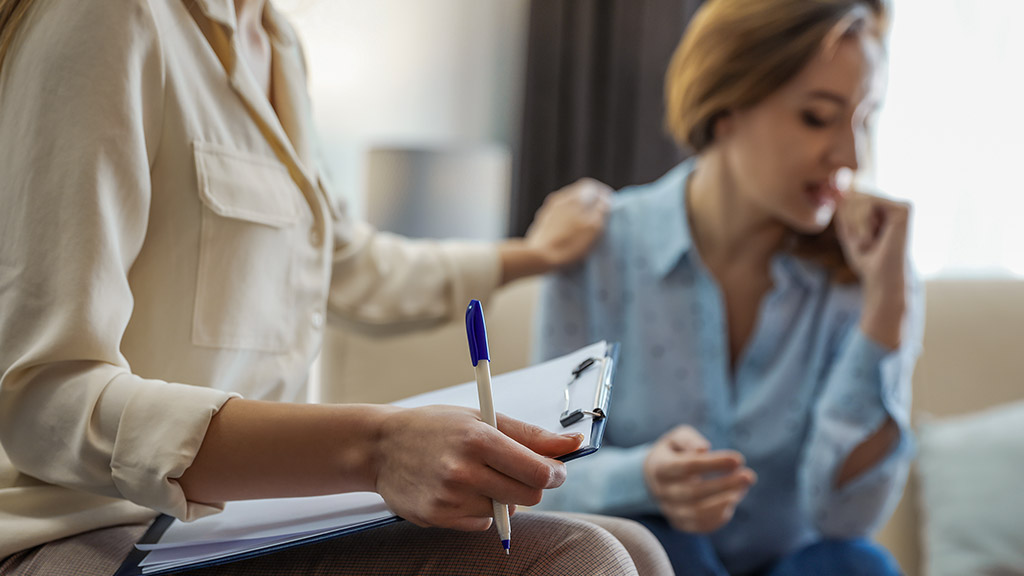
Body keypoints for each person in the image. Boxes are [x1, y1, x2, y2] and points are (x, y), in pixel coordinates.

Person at [0, 1, 675, 575]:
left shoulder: (275, 39)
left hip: (238, 524)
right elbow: (42, 398)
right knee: (577, 558)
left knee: (635, 548)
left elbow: (351, 264)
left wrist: (531, 255)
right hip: (90, 525)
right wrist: (376, 448)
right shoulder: (107, 21)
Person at [532, 1, 923, 574]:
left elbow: (845, 518)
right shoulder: (601, 248)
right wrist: (645, 479)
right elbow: (542, 475)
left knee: (856, 564)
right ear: (727, 109)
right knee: (658, 544)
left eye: (863, 119)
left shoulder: (865, 274)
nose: (850, 156)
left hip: (796, 566)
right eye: (818, 117)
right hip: (656, 559)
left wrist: (888, 306)